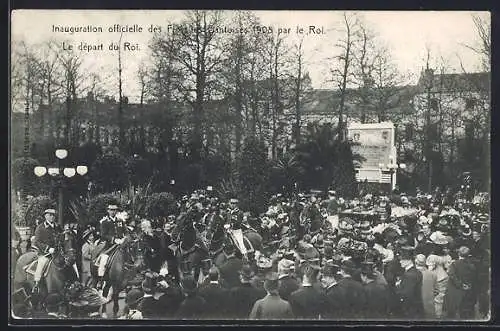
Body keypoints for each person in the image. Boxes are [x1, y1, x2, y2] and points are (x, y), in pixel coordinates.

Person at [96, 204, 126, 289]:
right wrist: (113, 239)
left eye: (115, 210)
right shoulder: (105, 222)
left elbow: (126, 231)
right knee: (104, 259)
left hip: (121, 244)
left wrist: (125, 238)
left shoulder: (120, 221)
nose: (113, 212)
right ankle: (100, 280)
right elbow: (103, 235)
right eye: (111, 210)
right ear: (108, 211)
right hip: (109, 245)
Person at [443, 246, 477, 319]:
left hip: (456, 289)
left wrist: (460, 284)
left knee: (453, 310)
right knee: (465, 309)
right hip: (468, 288)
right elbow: (473, 277)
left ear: (459, 254)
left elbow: (452, 276)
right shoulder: (471, 265)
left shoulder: (454, 264)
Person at [32, 209, 61, 293]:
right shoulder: (40, 228)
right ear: (45, 216)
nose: (52, 217)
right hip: (45, 253)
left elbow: (61, 237)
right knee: (42, 262)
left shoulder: (58, 227)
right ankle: (36, 284)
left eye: (53, 215)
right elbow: (37, 241)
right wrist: (48, 249)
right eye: (50, 215)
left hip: (57, 252)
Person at [394, 246, 424, 319]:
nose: (400, 261)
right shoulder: (416, 272)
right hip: (416, 308)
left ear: (409, 261)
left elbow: (407, 295)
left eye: (402, 259)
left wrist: (398, 287)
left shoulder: (409, 275)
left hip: (410, 310)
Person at [415, 254, 437, 319]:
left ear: (416, 262)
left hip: (416, 307)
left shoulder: (411, 274)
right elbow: (436, 291)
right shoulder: (433, 274)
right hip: (429, 306)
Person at [426, 254, 448, 319]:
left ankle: (437, 317)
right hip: (436, 289)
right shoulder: (438, 268)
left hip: (439, 294)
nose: (429, 266)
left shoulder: (441, 274)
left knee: (439, 301)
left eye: (430, 264)